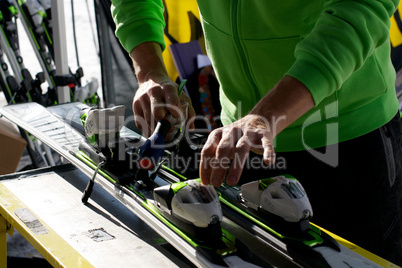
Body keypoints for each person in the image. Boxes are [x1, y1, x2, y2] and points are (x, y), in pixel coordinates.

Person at [111, 0, 402, 264]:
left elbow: (361, 9)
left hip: (349, 141)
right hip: (242, 144)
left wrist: (269, 114)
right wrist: (150, 71)